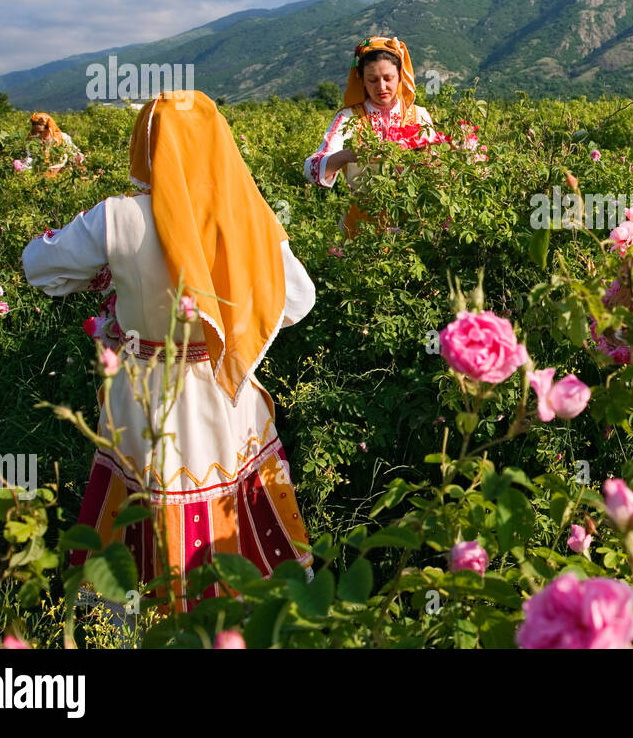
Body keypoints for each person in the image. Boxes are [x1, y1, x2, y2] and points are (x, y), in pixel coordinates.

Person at [22, 90, 316, 613]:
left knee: (148, 492)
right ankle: (246, 614)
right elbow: (297, 301)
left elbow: (39, 267)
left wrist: (108, 273)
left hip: (146, 391)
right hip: (223, 387)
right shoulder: (247, 218)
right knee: (230, 487)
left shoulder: (117, 218)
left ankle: (139, 617)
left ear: (147, 145)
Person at [304, 35, 434, 236]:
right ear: (362, 81)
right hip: (362, 226)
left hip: (413, 223)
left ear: (400, 76)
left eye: (388, 78)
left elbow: (436, 168)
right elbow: (312, 168)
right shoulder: (349, 117)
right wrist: (349, 155)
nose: (381, 87)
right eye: (372, 80)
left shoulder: (419, 116)